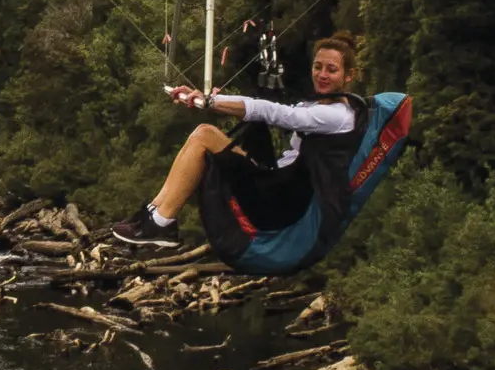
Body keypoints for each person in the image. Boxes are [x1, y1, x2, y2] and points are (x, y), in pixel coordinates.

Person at [108, 35, 364, 253]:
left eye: (332, 70)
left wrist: (212, 101)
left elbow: (276, 113)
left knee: (206, 134)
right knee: (202, 136)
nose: (322, 75)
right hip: (280, 185)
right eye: (318, 67)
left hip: (282, 201)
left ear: (348, 76)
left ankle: (162, 221)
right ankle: (156, 212)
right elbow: (284, 110)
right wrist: (211, 99)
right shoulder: (317, 106)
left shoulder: (337, 115)